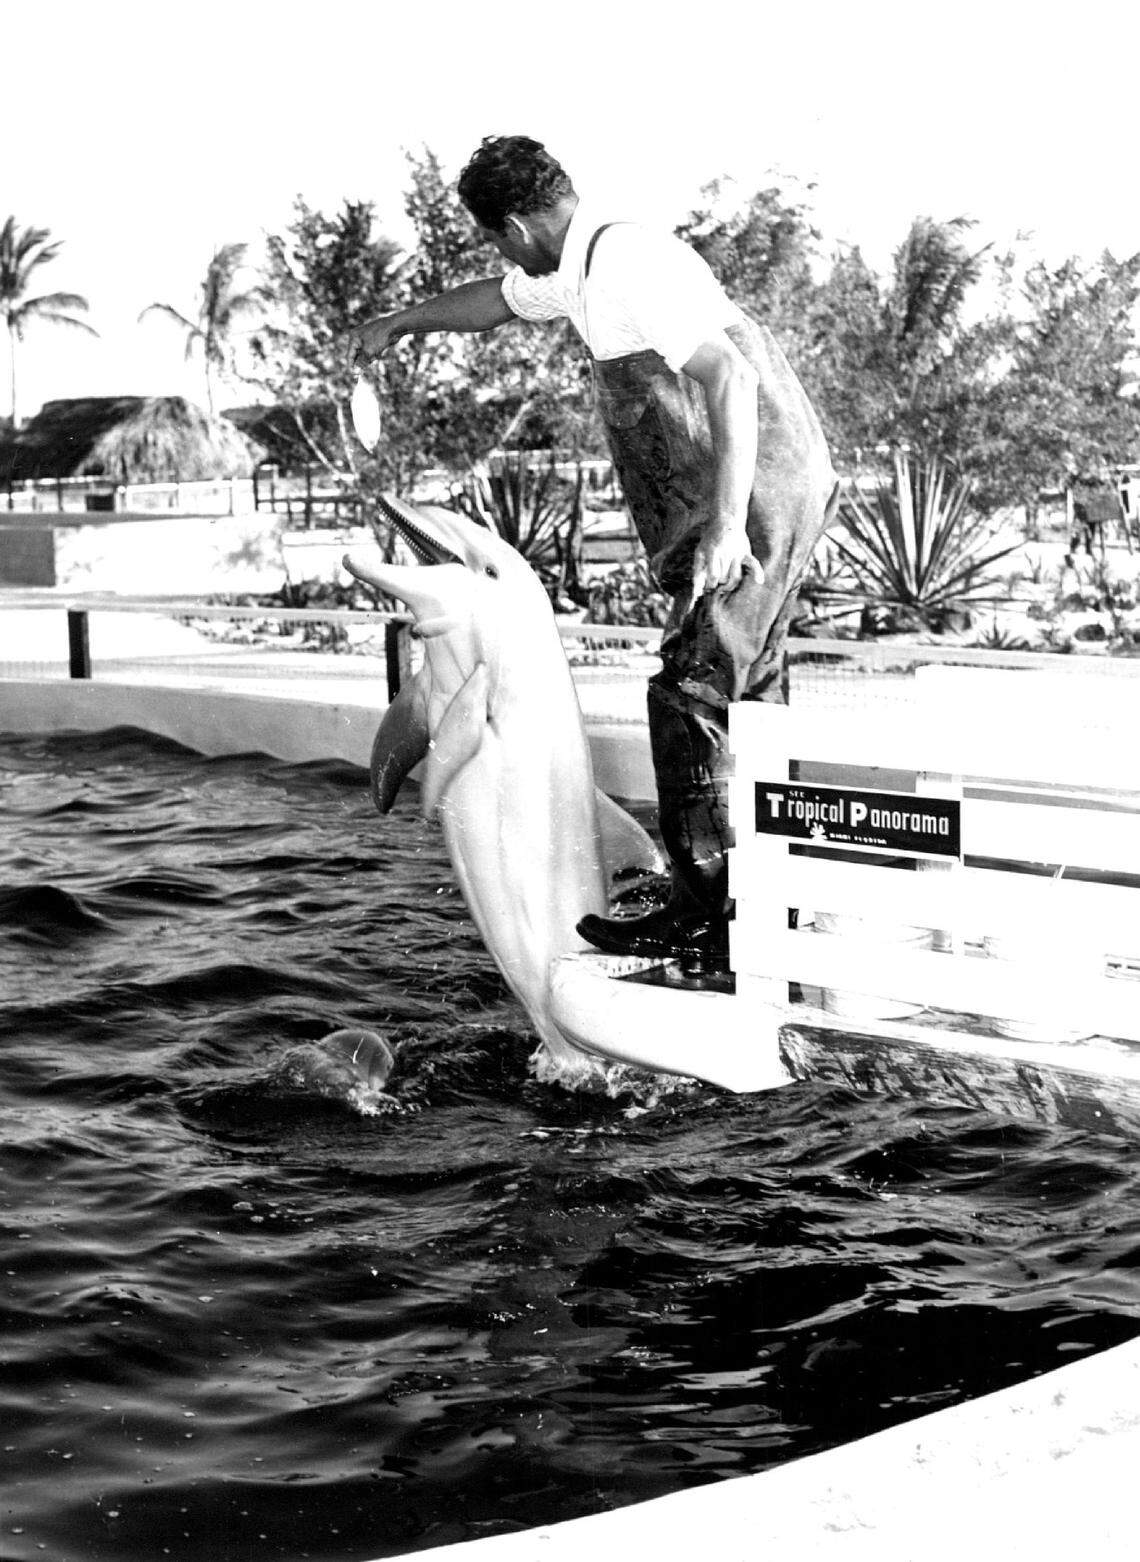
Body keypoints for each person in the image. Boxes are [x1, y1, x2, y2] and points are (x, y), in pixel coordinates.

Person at [347, 135, 837, 971]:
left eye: (496, 240)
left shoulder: (625, 265)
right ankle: (771, 901)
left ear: (515, 224)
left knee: (689, 689)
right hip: (743, 498)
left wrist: (724, 525)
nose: (501, 259)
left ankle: (704, 912)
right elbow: (495, 303)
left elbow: (731, 379)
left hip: (753, 498)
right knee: (748, 695)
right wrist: (402, 323)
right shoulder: (576, 265)